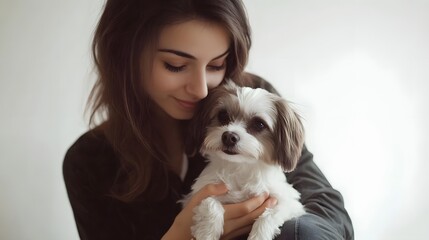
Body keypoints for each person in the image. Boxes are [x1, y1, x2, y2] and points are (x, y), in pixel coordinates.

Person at [63, 0, 354, 239]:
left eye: (216, 65)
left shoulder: (260, 98)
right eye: (175, 65)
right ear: (124, 55)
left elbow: (327, 207)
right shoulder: (88, 163)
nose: (202, 89)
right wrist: (178, 235)